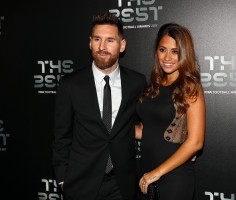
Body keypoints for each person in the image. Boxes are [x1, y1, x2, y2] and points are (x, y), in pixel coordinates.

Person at [52, 11, 147, 200]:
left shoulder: (137, 82)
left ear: (122, 45)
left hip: (122, 185)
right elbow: (61, 136)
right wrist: (63, 179)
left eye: (110, 40)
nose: (102, 47)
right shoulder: (71, 84)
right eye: (97, 39)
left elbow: (149, 125)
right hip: (81, 184)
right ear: (90, 43)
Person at [135, 23, 206, 200]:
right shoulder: (155, 86)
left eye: (175, 51)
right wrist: (111, 125)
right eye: (162, 49)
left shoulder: (190, 87)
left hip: (174, 178)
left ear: (184, 54)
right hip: (147, 174)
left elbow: (196, 142)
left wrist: (156, 173)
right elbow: (149, 131)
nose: (167, 57)